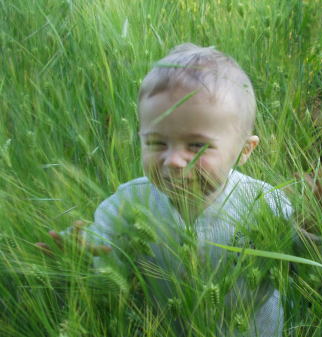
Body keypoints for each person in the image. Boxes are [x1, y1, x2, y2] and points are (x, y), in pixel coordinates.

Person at [38, 43, 294, 336]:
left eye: (197, 146)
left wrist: (316, 229)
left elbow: (310, 268)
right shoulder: (129, 204)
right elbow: (102, 253)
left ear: (244, 150)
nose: (172, 160)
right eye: (156, 143)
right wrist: (80, 258)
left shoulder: (265, 204)